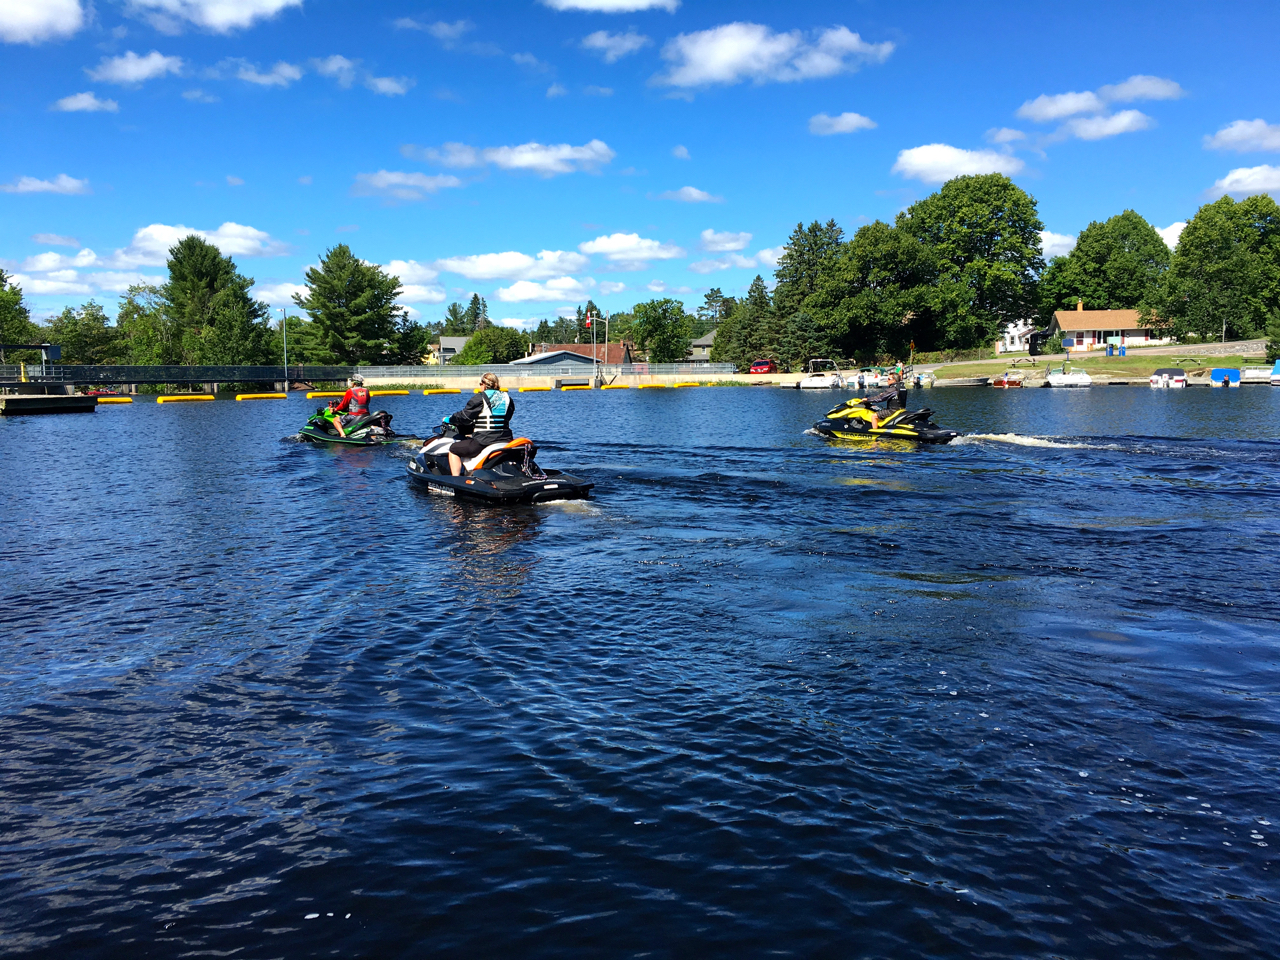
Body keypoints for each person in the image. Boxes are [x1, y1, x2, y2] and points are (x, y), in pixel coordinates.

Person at [439, 372, 515, 476]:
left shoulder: (480, 397)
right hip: (505, 439)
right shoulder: (507, 398)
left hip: (484, 441)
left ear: (484, 384)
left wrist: (449, 419)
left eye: (480, 384)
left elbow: (465, 417)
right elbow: (506, 418)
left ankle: (456, 479)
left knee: (453, 449)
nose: (480, 386)